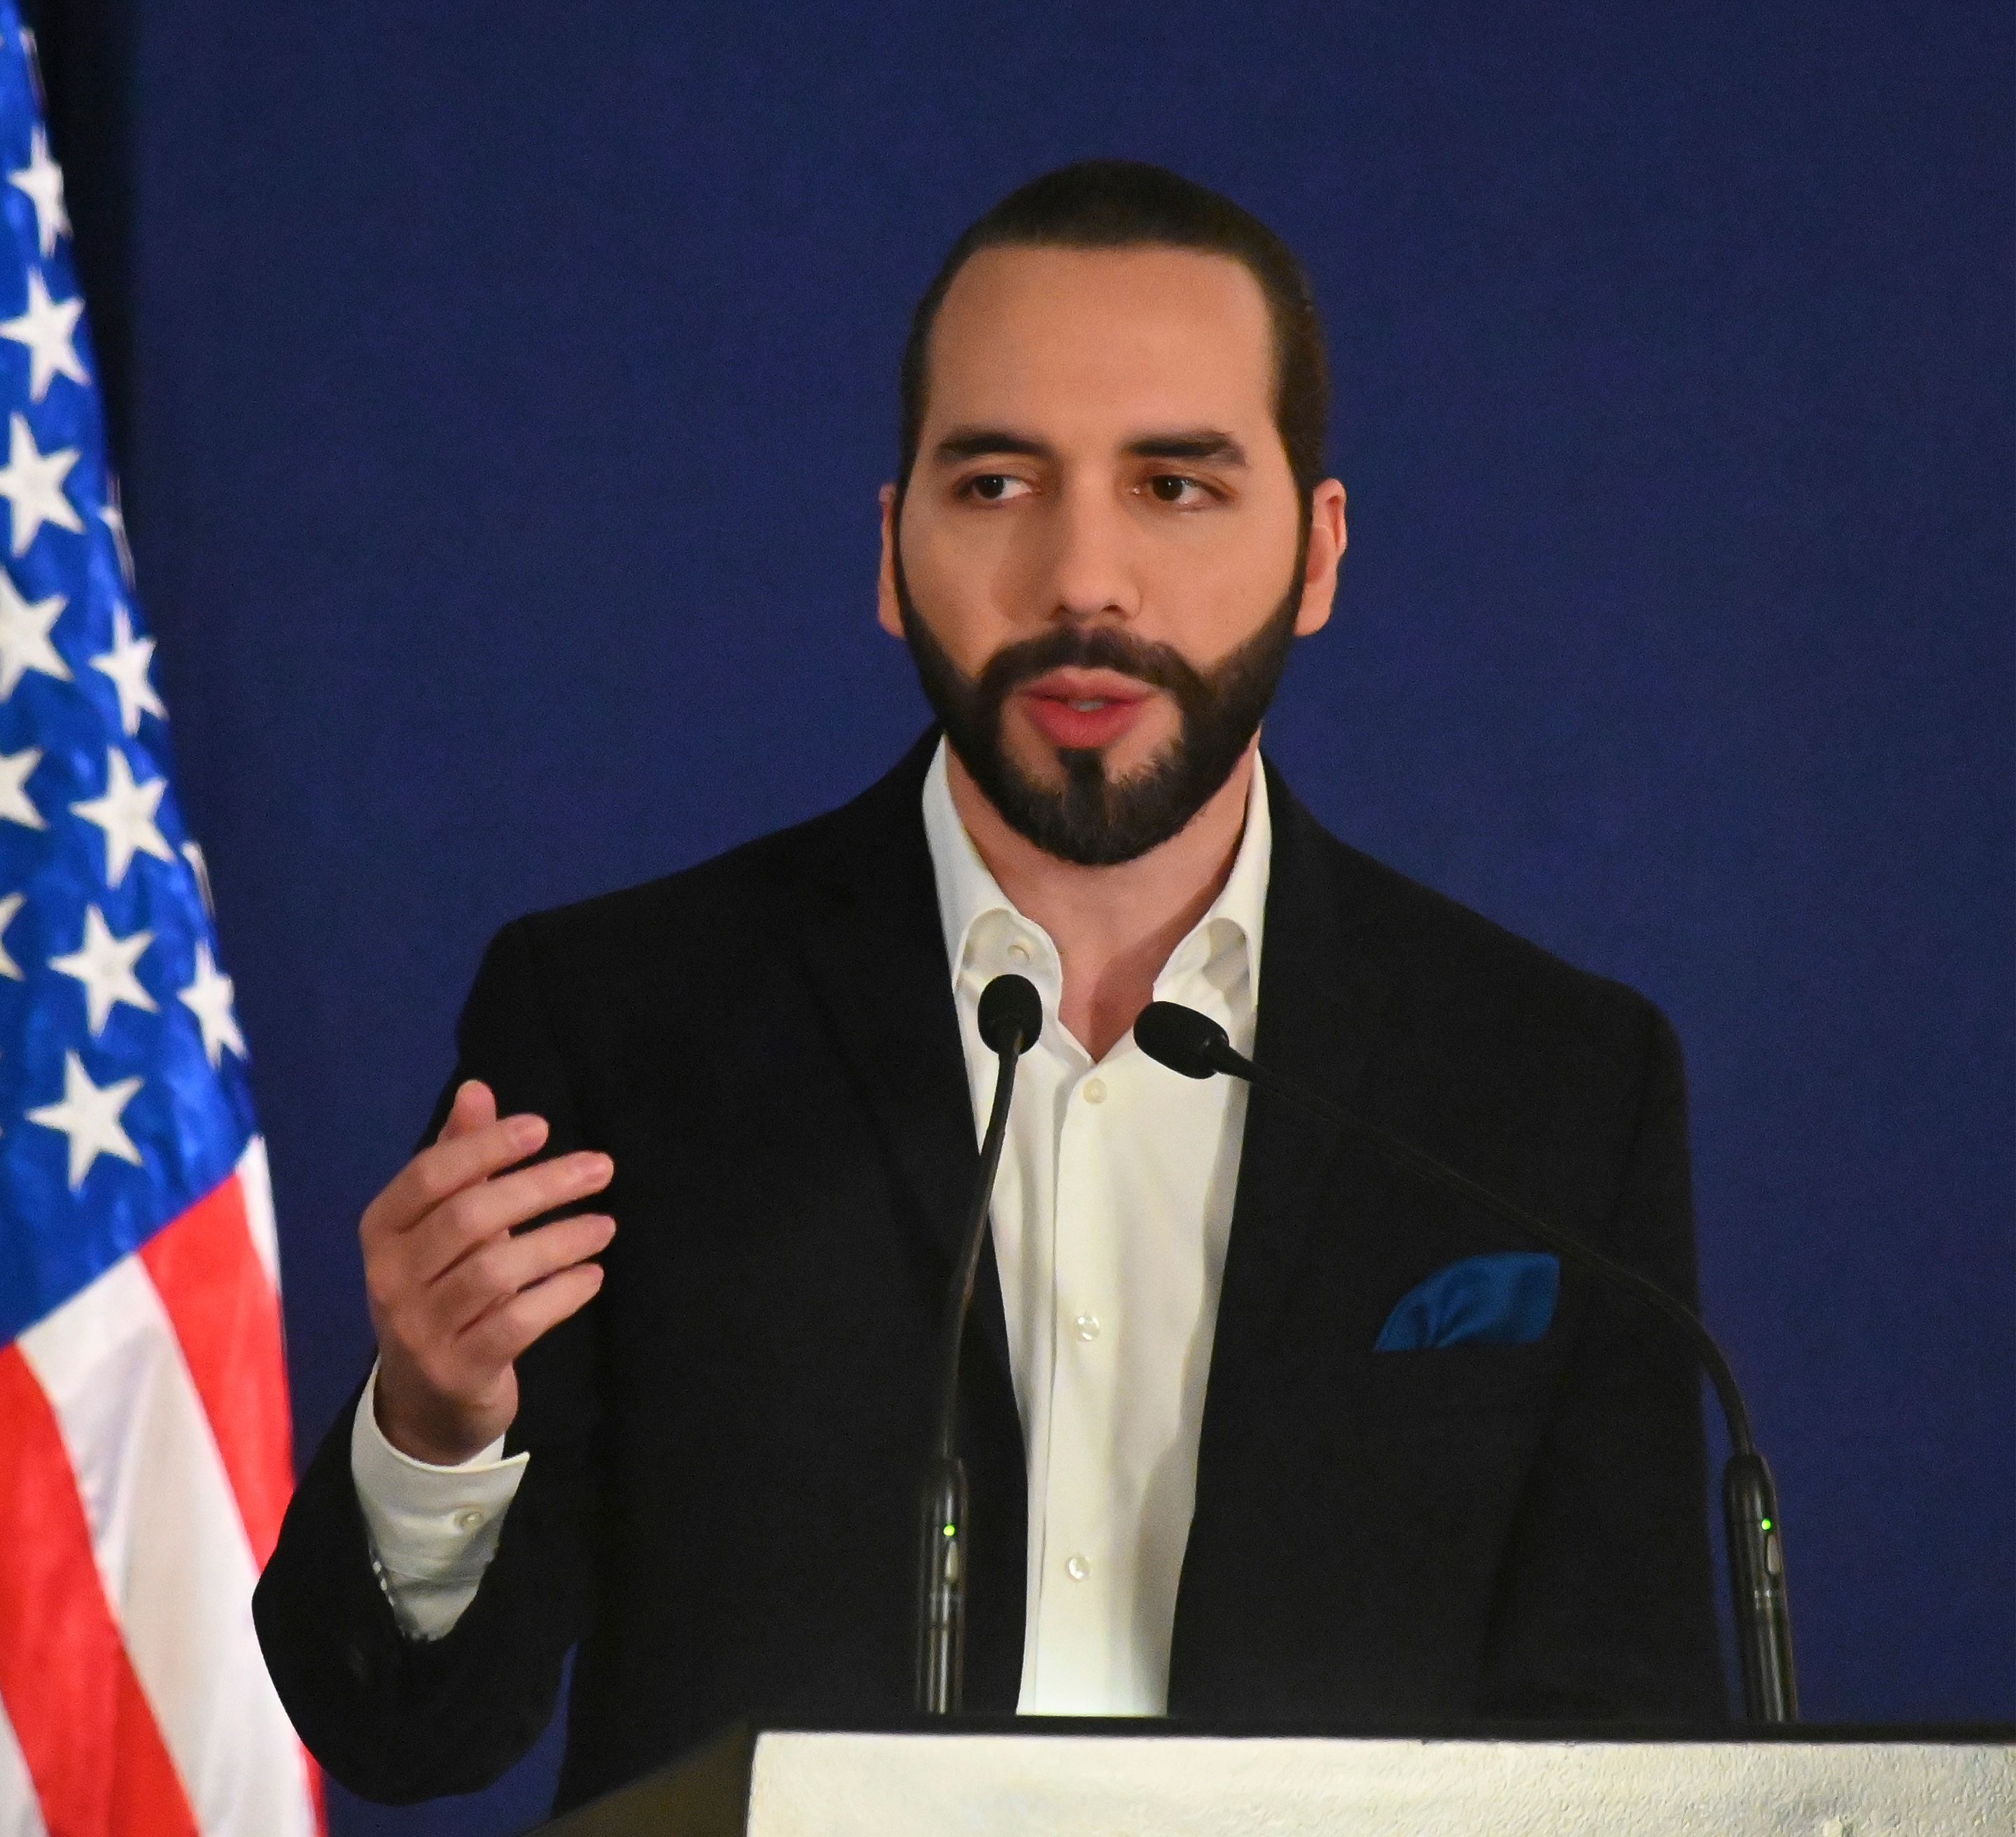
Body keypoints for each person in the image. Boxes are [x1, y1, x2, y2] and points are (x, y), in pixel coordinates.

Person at [253, 160, 1723, 1813]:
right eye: (999, 482)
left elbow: (1629, 1748)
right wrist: (435, 1426)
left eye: (1176, 486)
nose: (1084, 578)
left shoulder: (1549, 1084)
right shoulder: (619, 1022)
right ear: (894, 551)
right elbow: (414, 1736)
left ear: (1317, 555)